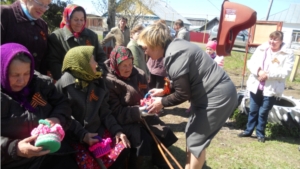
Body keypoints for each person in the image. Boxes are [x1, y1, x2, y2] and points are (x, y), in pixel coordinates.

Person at [137, 22, 238, 168]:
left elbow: (183, 94)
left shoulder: (174, 54)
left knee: (196, 140)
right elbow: (183, 81)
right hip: (207, 94)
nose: (145, 52)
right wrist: (164, 91)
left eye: (146, 48)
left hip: (216, 96)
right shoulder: (174, 46)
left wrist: (162, 102)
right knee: (192, 134)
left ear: (155, 44)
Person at [55, 45, 131, 169]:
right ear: (81, 63)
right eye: (92, 60)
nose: (96, 64)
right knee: (85, 162)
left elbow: (105, 112)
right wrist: (83, 135)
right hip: (75, 136)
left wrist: (117, 131)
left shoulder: (98, 81)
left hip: (98, 131)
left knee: (122, 148)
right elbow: (65, 117)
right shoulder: (63, 86)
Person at [1, 43, 74, 169]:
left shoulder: (40, 84)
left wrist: (56, 118)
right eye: (15, 75)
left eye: (26, 73)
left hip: (54, 155)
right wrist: (15, 148)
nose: (22, 81)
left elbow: (63, 103)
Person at [104, 46, 178, 169]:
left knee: (164, 131)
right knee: (142, 139)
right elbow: (115, 111)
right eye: (124, 65)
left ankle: (158, 160)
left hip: (144, 113)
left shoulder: (139, 74)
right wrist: (138, 111)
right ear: (115, 65)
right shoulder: (109, 81)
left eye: (130, 64)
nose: (128, 68)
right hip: (125, 119)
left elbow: (146, 92)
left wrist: (149, 101)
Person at [238, 31, 294, 143]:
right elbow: (251, 63)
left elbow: (285, 72)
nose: (272, 42)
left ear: (281, 41)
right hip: (256, 84)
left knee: (263, 112)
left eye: (275, 40)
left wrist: (267, 75)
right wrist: (258, 72)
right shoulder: (262, 49)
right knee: (253, 110)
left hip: (271, 88)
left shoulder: (287, 53)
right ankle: (248, 131)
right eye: (271, 39)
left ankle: (260, 133)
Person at [47, 4, 107, 81]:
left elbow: (101, 57)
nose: (79, 23)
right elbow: (54, 63)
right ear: (68, 19)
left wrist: (97, 71)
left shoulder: (92, 36)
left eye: (82, 19)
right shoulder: (56, 37)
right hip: (68, 84)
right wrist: (72, 80)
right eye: (76, 19)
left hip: (92, 81)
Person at [1, 0, 51, 75]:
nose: (43, 9)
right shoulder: (4, 13)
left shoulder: (43, 25)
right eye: (40, 3)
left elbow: (43, 60)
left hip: (34, 83)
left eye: (46, 6)